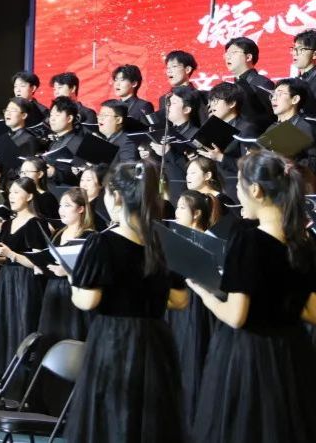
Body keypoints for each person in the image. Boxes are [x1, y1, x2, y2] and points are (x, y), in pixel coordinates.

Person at [188, 150, 316, 442]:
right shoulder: (304, 244)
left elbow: (236, 316)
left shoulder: (248, 240)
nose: (237, 193)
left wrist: (203, 292)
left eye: (238, 185)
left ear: (255, 190)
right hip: (292, 356)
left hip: (249, 357)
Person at [63, 161, 187, 443]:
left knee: (112, 419)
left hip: (115, 340)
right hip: (155, 342)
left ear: (116, 196)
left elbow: (88, 300)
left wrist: (73, 280)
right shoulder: (162, 243)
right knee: (149, 420)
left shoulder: (102, 243)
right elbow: (180, 300)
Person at [0, 177, 48, 393]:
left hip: (24, 283)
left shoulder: (36, 223)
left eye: (17, 192)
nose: (12, 196)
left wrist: (12, 255)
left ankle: (17, 390)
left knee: (19, 328)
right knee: (1, 330)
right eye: (10, 192)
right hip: (5, 280)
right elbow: (3, 258)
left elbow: (39, 262)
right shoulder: (7, 224)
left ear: (30, 196)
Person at [168, 189, 216, 430]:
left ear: (196, 214)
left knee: (193, 360)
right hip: (175, 306)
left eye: (181, 208)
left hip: (198, 307)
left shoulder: (209, 241)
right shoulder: (175, 238)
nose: (176, 212)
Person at [37, 188, 93, 348]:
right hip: (53, 291)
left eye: (67, 205)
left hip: (73, 291)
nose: (61, 210)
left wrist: (68, 271)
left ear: (80, 209)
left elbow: (91, 269)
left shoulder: (89, 236)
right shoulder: (58, 233)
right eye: (61, 205)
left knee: (72, 338)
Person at [267, 77, 316, 178]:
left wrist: (292, 163)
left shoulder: (305, 126)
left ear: (295, 99)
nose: (274, 98)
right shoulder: (272, 128)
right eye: (273, 95)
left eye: (280, 94)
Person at [224, 36, 273, 130]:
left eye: (233, 53)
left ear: (248, 57)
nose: (228, 57)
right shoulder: (233, 87)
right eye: (227, 54)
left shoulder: (261, 82)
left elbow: (273, 115)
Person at [161, 50, 208, 124]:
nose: (169, 71)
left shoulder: (199, 96)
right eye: (168, 67)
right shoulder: (164, 99)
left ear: (187, 69)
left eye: (174, 66)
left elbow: (204, 123)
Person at [292, 29, 316, 114]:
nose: (294, 53)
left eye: (301, 49)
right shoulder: (294, 82)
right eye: (294, 49)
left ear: (315, 54)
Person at [97, 99, 138, 164]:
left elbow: (128, 168)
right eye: (99, 115)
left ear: (118, 120)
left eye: (105, 115)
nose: (100, 118)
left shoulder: (127, 142)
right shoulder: (105, 140)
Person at [80, 164, 110, 229]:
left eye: (88, 180)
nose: (83, 184)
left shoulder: (102, 210)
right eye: (82, 180)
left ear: (100, 184)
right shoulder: (78, 202)